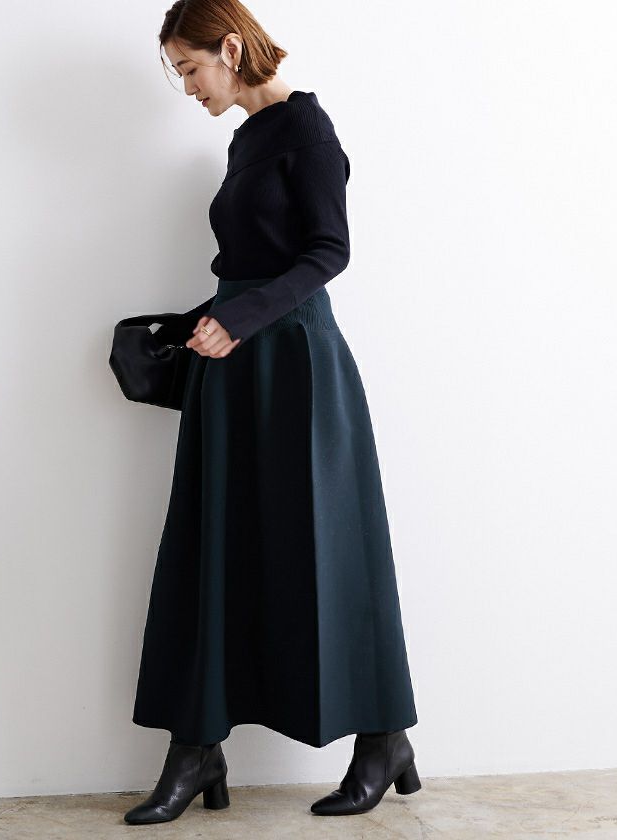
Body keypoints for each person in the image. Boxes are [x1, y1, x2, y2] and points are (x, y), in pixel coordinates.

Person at [123, 0, 421, 825]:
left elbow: (329, 251)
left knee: (328, 547)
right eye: (179, 74)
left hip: (297, 367)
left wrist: (242, 319)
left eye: (190, 69)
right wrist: (188, 328)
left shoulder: (308, 133)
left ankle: (383, 739)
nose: (188, 88)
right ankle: (197, 747)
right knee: (212, 546)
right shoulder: (247, 138)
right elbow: (249, 265)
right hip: (237, 366)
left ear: (230, 47)